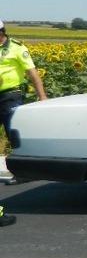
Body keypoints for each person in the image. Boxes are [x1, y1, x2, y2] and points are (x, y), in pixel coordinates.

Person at [0, 20, 48, 189]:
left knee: (13, 133)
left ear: (1, 32)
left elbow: (32, 74)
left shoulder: (17, 48)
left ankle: (22, 173)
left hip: (10, 95)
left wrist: (42, 96)